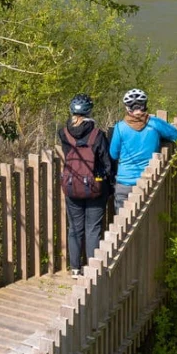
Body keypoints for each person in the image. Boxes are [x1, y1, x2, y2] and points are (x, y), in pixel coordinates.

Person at [58, 93, 112, 279]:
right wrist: (108, 182)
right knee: (93, 229)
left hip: (72, 186)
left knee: (74, 229)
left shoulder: (63, 133)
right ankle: (91, 269)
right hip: (95, 188)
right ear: (89, 111)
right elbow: (107, 163)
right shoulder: (97, 135)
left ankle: (75, 269)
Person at [109, 88, 177, 212]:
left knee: (123, 220)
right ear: (145, 105)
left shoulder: (120, 127)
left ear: (127, 108)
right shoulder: (155, 124)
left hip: (124, 182)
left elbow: (113, 154)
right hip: (147, 181)